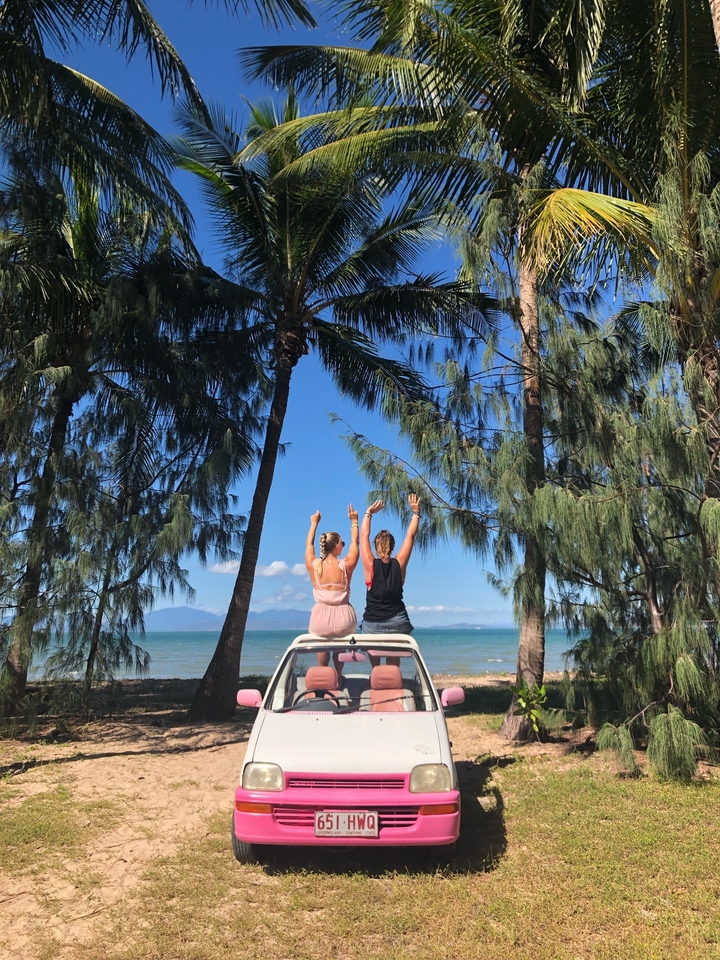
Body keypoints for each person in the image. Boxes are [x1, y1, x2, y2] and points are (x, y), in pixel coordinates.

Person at [360, 494, 420, 634]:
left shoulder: (370, 564)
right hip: (399, 620)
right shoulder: (399, 563)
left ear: (375, 546)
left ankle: (374, 658)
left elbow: (363, 536)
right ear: (393, 546)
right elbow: (410, 536)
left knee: (372, 653)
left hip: (372, 623)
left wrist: (368, 513)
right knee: (394, 655)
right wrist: (416, 513)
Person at [305, 504, 360, 638]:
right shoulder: (346, 565)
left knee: (322, 656)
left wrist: (313, 524)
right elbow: (355, 542)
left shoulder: (314, 565)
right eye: (342, 543)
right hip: (344, 619)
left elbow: (309, 545)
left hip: (320, 619)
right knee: (339, 654)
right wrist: (354, 522)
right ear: (336, 546)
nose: (343, 545)